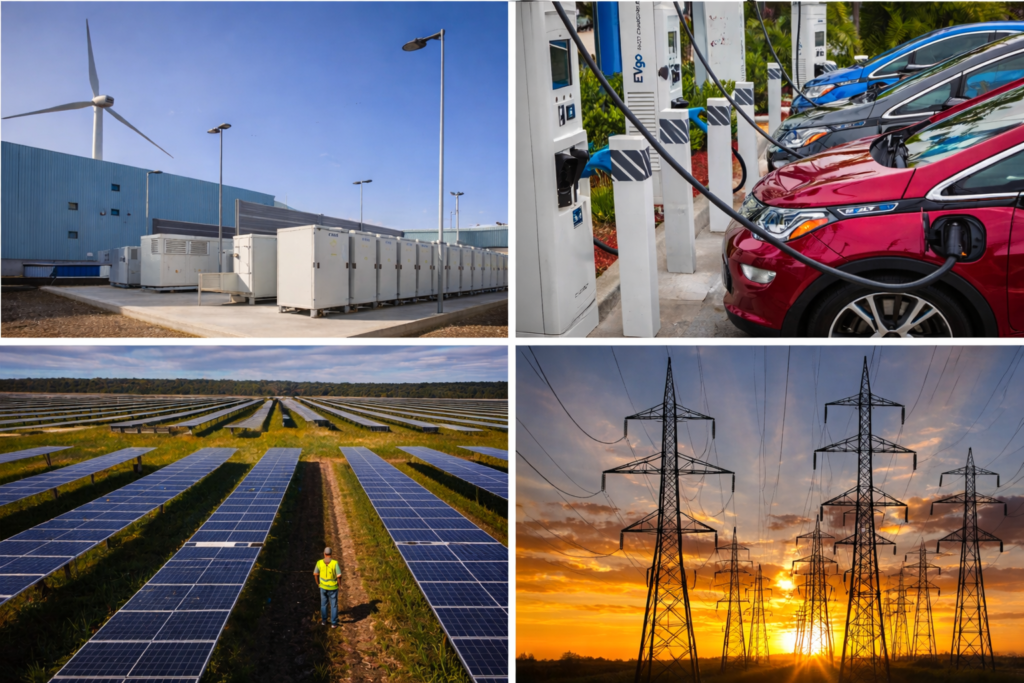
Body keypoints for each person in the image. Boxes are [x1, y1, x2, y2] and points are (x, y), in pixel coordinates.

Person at [314, 546, 341, 627]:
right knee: (334, 605)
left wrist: (318, 583)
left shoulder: (319, 563)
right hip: (333, 588)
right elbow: (339, 576)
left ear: (324, 554)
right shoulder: (335, 563)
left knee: (323, 604)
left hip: (323, 587)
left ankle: (324, 621)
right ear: (331, 554)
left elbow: (315, 574)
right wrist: (339, 584)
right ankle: (333, 623)